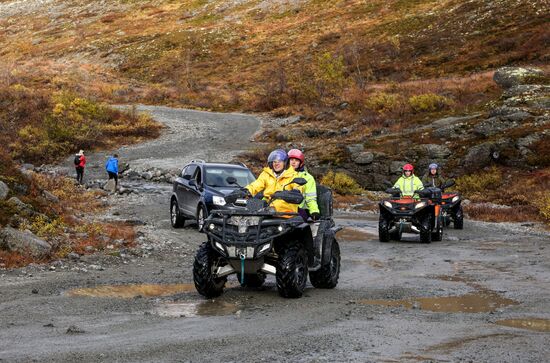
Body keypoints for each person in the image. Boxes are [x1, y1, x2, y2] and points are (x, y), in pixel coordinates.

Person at [244, 149, 302, 215]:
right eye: (274, 162)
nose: (276, 164)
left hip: (285, 213)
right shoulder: (266, 174)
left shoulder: (293, 175)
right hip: (267, 210)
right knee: (251, 205)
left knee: (279, 202)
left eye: (279, 161)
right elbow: (257, 184)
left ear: (285, 163)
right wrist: (246, 191)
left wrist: (294, 192)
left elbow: (297, 187)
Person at [288, 149, 320, 221]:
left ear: (300, 163)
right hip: (281, 208)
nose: (293, 162)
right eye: (291, 159)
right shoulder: (282, 175)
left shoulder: (308, 178)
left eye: (296, 160)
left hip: (299, 210)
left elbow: (311, 198)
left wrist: (314, 211)